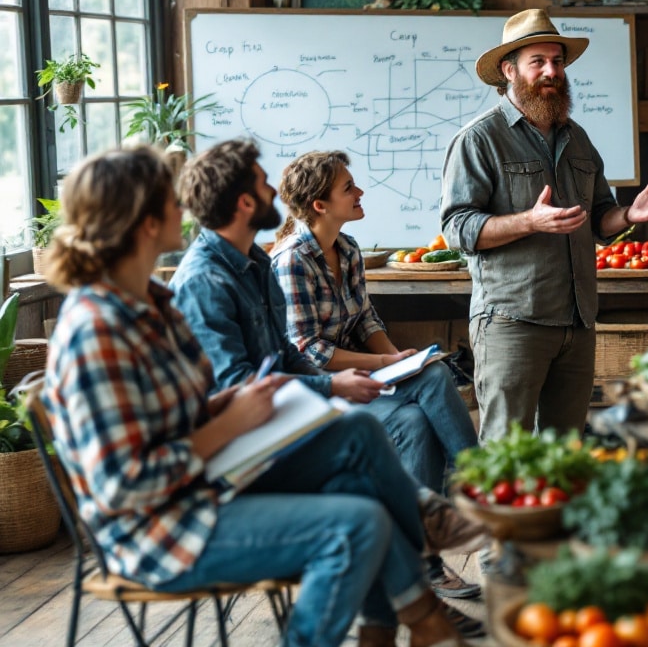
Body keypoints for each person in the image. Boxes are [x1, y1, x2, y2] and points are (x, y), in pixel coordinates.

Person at [40, 146, 483, 647]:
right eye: (169, 197)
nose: (182, 206)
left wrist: (223, 411)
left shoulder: (149, 303)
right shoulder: (98, 328)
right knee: (358, 522)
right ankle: (426, 584)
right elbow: (124, 484)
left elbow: (180, 412)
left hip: (209, 484)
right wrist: (230, 420)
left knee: (359, 447)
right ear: (142, 220)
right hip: (162, 531)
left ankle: (407, 608)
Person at [171, 139, 486, 634]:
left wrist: (356, 374)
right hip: (241, 450)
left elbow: (289, 355)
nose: (273, 187)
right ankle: (440, 541)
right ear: (245, 203)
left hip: (285, 414)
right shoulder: (207, 281)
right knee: (377, 443)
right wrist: (332, 388)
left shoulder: (251, 262)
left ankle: (418, 589)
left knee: (408, 403)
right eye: (261, 181)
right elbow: (237, 389)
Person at [440, 8, 648, 441]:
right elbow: (458, 228)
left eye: (557, 61)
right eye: (538, 61)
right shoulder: (479, 139)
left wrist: (629, 215)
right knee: (508, 453)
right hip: (513, 322)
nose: (552, 71)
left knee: (564, 452)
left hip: (577, 323)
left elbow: (599, 217)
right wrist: (529, 221)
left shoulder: (578, 137)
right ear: (509, 69)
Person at [272, 149, 482, 602]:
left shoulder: (346, 250)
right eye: (348, 187)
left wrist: (398, 356)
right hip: (317, 396)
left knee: (419, 399)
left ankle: (423, 557)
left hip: (359, 381)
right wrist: (387, 365)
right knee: (425, 390)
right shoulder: (292, 260)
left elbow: (366, 319)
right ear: (319, 205)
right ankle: (478, 485)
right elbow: (309, 352)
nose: (360, 191)